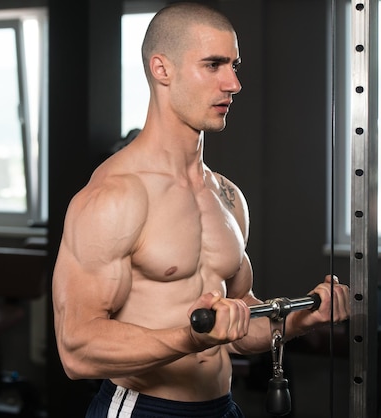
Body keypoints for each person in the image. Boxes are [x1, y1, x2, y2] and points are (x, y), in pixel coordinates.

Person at [51, 2, 350, 417]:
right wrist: (191, 337)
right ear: (162, 69)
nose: (234, 83)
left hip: (221, 407)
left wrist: (302, 320)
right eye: (213, 65)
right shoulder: (116, 196)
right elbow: (77, 349)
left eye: (234, 65)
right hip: (144, 409)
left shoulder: (227, 196)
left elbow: (240, 327)